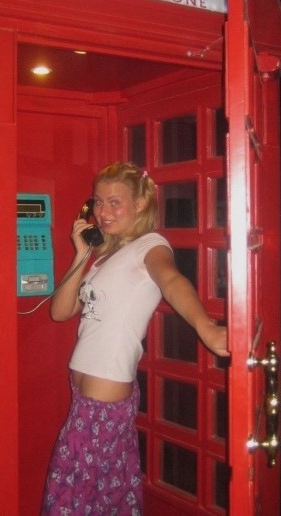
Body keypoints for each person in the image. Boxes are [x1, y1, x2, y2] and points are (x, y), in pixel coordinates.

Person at [42, 162, 229, 515]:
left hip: (105, 394)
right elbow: (61, 311)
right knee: (104, 493)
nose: (103, 212)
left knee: (70, 494)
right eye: (98, 202)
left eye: (115, 202)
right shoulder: (103, 257)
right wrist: (81, 254)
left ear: (140, 204)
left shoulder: (150, 246)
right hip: (86, 393)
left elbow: (172, 281)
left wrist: (206, 327)